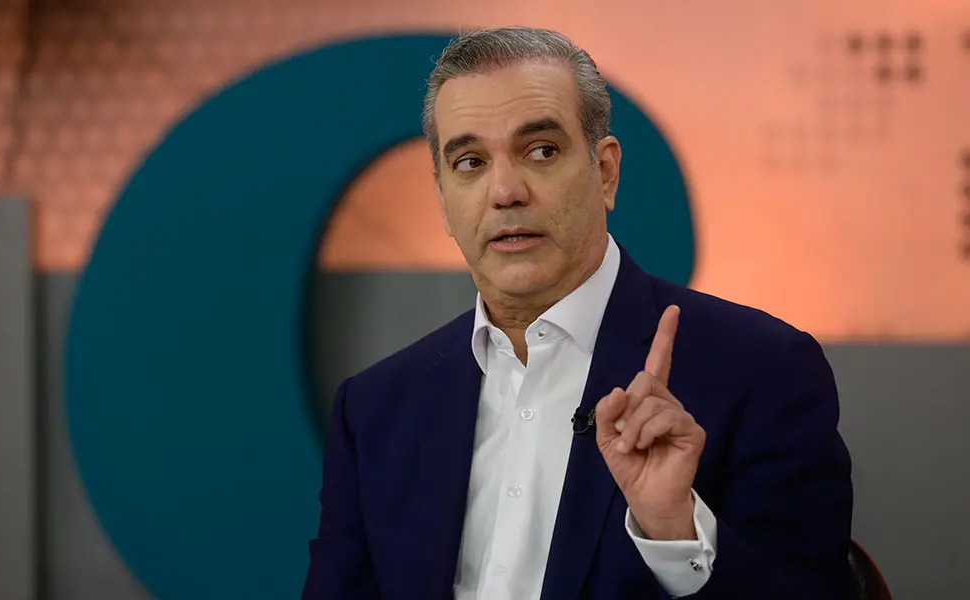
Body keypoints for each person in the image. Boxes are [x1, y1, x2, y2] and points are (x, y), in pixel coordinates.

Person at [302, 26, 853, 600]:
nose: (505, 191)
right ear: (443, 200)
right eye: (470, 162)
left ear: (606, 171)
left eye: (541, 151)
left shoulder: (762, 370)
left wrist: (676, 532)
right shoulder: (376, 409)